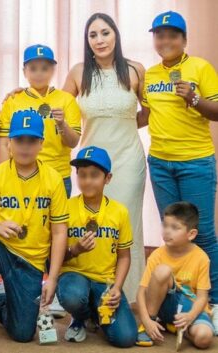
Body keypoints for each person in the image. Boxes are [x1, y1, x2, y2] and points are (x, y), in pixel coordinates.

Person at [0, 110, 68, 353]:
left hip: (31, 259)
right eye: (19, 140)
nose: (25, 147)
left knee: (23, 334)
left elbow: (59, 232)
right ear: (9, 144)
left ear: (41, 144)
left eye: (31, 140)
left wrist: (54, 278)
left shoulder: (53, 179)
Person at [140, 10, 218, 330]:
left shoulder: (200, 67)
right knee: (173, 234)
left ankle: (212, 301)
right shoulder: (151, 75)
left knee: (205, 233)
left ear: (184, 40)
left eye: (172, 35)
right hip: (160, 163)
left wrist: (196, 98)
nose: (165, 40)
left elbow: (216, 112)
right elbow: (145, 114)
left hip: (196, 161)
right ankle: (179, 294)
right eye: (159, 35)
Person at [63, 13, 147, 301]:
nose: (99, 40)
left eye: (105, 33)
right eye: (93, 35)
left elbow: (146, 112)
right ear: (87, 41)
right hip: (91, 164)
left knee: (126, 226)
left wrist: (120, 125)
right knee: (91, 223)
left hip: (128, 160)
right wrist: (19, 93)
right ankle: (89, 296)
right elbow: (53, 106)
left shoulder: (135, 69)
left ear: (116, 35)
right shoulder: (78, 72)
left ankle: (129, 298)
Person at [57, 146, 136, 347]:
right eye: (82, 175)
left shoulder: (120, 212)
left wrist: (117, 287)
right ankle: (80, 316)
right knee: (73, 296)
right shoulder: (65, 206)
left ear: (107, 178)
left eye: (94, 175)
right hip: (74, 276)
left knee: (125, 338)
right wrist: (75, 249)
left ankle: (95, 311)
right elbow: (53, 258)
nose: (87, 181)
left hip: (105, 281)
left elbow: (124, 256)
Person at [0, 44, 80, 197]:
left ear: (53, 70)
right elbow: (3, 143)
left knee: (58, 220)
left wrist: (62, 124)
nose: (39, 73)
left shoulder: (66, 100)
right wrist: (4, 177)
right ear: (24, 71)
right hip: (21, 174)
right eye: (33, 68)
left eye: (44, 68)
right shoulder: (13, 100)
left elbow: (73, 142)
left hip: (58, 175)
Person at [136, 202, 214, 349]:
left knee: (204, 338)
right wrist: (146, 320)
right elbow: (141, 292)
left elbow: (202, 297)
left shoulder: (202, 258)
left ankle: (178, 327)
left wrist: (190, 317)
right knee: (162, 271)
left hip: (189, 308)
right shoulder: (157, 255)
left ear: (191, 234)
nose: (166, 231)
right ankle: (151, 324)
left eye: (174, 228)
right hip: (164, 306)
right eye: (164, 225)